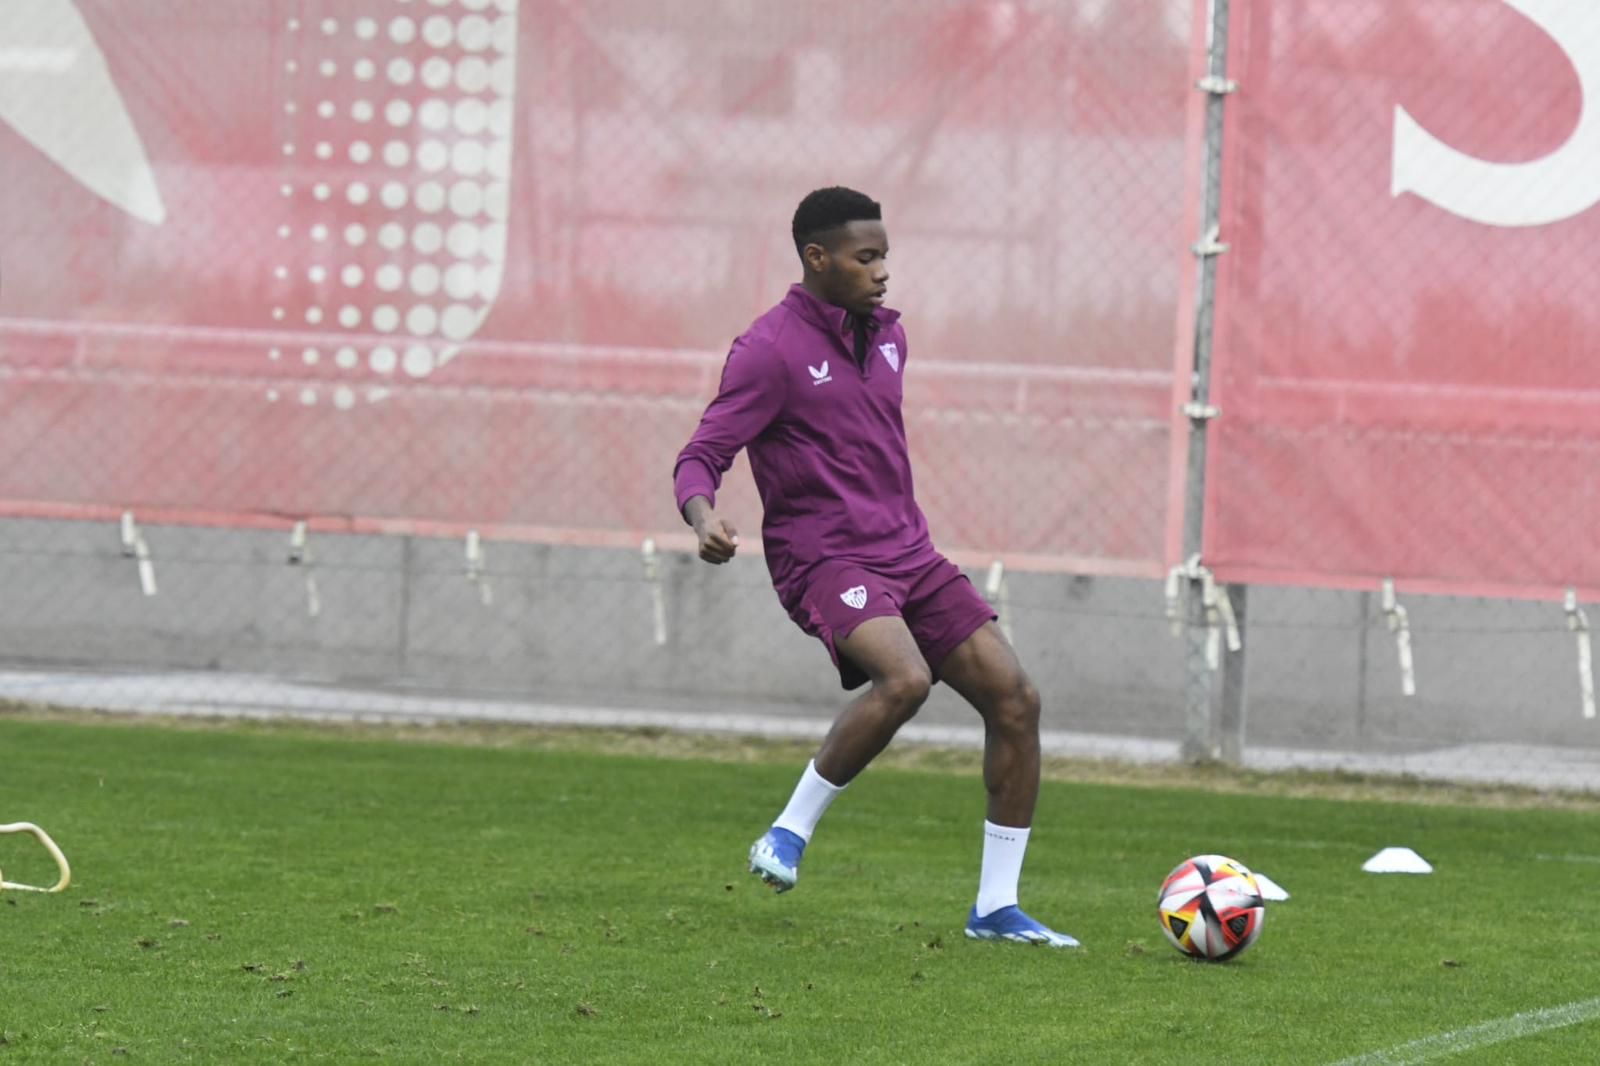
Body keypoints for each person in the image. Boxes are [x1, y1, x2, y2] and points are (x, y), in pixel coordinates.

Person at [671, 187, 1077, 947]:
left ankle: (995, 908)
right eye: (867, 257)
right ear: (818, 259)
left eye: (885, 254)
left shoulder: (889, 338)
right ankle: (787, 834)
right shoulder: (768, 350)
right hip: (824, 557)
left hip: (909, 553)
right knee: (907, 679)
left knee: (1016, 700)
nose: (883, 271)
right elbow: (701, 455)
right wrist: (704, 518)